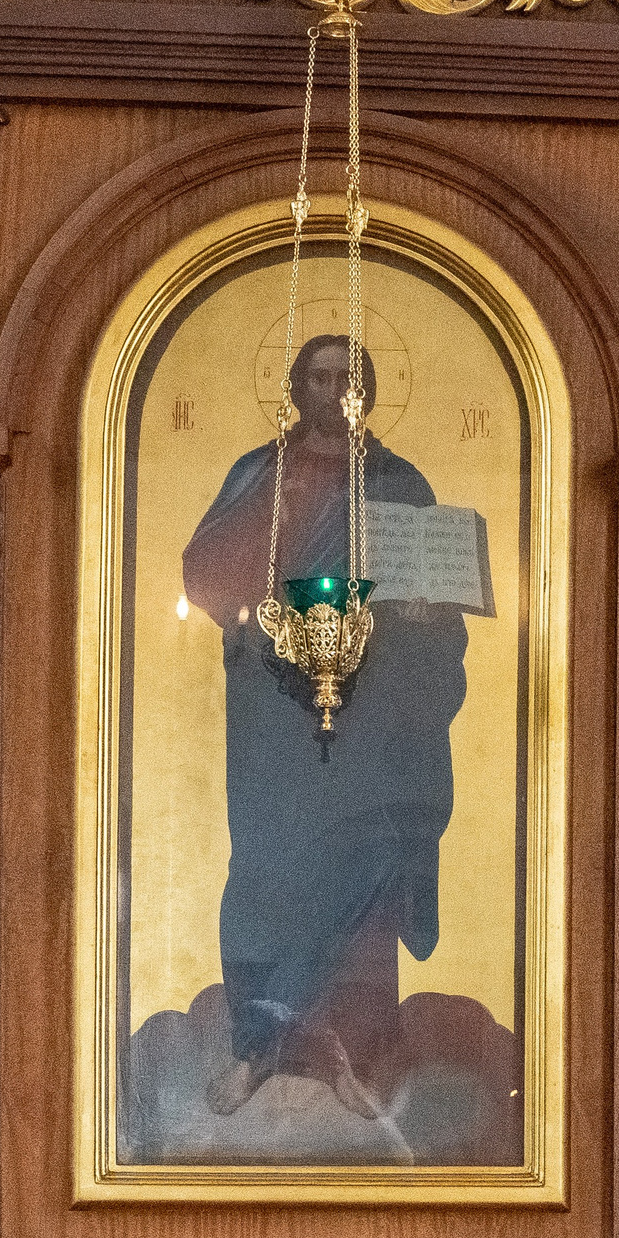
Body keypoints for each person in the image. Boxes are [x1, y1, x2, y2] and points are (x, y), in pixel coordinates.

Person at [179, 335, 469, 1121]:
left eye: (349, 378)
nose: (335, 391)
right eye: (319, 377)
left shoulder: (400, 484)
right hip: (275, 720)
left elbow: (436, 603)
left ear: (367, 390)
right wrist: (285, 505)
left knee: (369, 866)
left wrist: (422, 616)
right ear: (296, 388)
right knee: (268, 871)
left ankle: (357, 1056)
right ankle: (259, 1047)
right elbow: (206, 576)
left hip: (375, 722)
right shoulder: (261, 473)